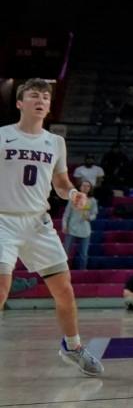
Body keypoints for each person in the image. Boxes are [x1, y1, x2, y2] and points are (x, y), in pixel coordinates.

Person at [0, 80, 104, 374]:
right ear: (20, 103)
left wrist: (73, 194)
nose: (41, 100)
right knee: (1, 287)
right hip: (3, 220)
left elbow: (59, 182)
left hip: (37, 222)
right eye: (34, 95)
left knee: (65, 291)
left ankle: (72, 347)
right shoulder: (2, 136)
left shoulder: (55, 141)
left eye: (45, 97)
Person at [61, 181, 95, 270]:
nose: (85, 187)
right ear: (80, 187)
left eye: (88, 186)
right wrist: (64, 225)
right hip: (71, 228)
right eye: (84, 185)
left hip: (85, 230)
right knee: (66, 251)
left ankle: (82, 270)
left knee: (83, 253)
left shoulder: (92, 201)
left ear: (90, 188)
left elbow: (94, 214)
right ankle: (63, 270)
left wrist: (89, 217)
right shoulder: (73, 199)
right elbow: (66, 214)